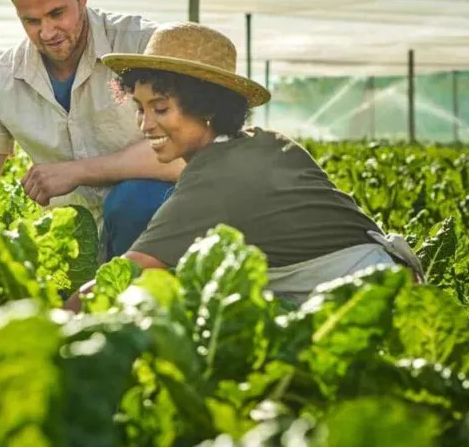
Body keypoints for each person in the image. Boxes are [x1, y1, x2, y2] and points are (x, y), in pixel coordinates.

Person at [65, 21, 424, 309]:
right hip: (390, 287)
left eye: (160, 108)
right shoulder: (265, 143)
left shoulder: (214, 179)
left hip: (371, 306)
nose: (145, 125)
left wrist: (53, 326)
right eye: (140, 108)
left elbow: (124, 277)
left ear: (207, 106)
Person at [0, 0, 184, 258]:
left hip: (161, 226)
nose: (47, 32)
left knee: (135, 200)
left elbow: (186, 152)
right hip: (74, 244)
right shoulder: (1, 83)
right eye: (31, 21)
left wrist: (76, 172)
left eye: (57, 14)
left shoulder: (143, 46)